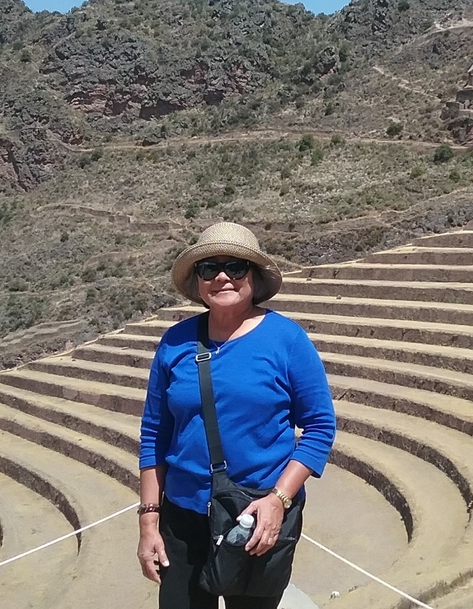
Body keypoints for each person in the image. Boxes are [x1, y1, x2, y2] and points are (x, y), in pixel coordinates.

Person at [137, 222, 337, 609]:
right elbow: (155, 434)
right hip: (183, 518)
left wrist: (279, 499)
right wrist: (149, 521)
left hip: (255, 516)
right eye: (208, 268)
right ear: (198, 280)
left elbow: (319, 427)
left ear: (254, 276)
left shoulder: (287, 340)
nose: (222, 277)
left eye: (235, 267)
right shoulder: (174, 342)